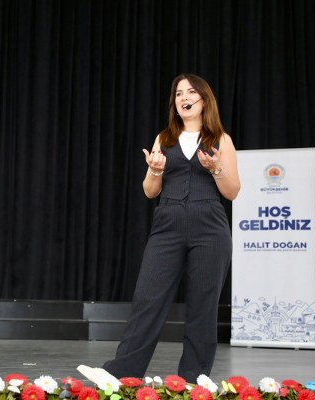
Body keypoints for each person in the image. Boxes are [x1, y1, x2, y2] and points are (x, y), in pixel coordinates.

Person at [101, 73, 240, 383]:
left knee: (203, 306)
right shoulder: (164, 139)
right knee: (147, 299)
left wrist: (216, 169)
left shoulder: (221, 139)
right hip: (167, 226)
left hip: (210, 228)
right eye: (178, 93)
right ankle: (122, 374)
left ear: (204, 100)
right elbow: (150, 191)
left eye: (190, 92)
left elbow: (232, 192)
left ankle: (193, 379)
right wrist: (154, 170)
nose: (183, 98)